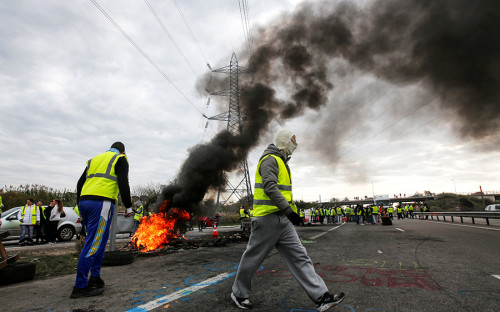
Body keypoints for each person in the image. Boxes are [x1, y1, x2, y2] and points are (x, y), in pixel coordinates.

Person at [231, 129, 345, 311]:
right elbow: (269, 187)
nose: (295, 145)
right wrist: (290, 212)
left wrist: (292, 214)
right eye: (292, 141)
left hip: (283, 221)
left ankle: (321, 297)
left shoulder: (282, 162)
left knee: (300, 257)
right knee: (252, 259)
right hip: (266, 220)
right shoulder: (270, 159)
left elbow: (283, 193)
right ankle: (238, 293)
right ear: (284, 142)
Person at [72, 142, 133, 299]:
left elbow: (80, 183)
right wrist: (128, 207)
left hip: (85, 202)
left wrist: (79, 203)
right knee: (93, 243)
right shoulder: (120, 158)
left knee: (99, 240)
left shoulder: (95, 159)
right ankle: (80, 286)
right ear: (123, 150)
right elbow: (123, 182)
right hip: (102, 203)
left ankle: (95, 277)